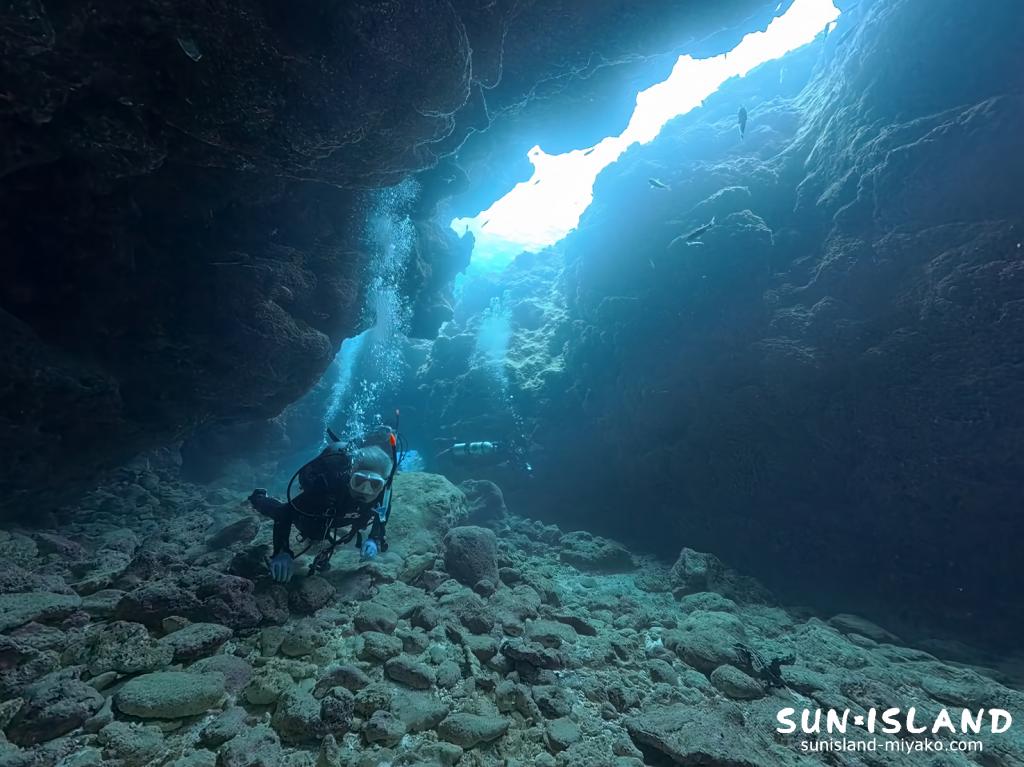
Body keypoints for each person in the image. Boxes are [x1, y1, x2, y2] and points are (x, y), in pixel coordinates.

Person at [248, 440, 395, 583]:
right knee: (310, 530)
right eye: (359, 481)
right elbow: (285, 512)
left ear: (383, 485)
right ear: (351, 475)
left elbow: (383, 512)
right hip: (322, 510)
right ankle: (259, 498)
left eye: (374, 485)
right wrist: (282, 551)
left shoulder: (384, 494)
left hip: (339, 515)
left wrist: (373, 538)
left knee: (317, 533)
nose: (365, 492)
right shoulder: (327, 486)